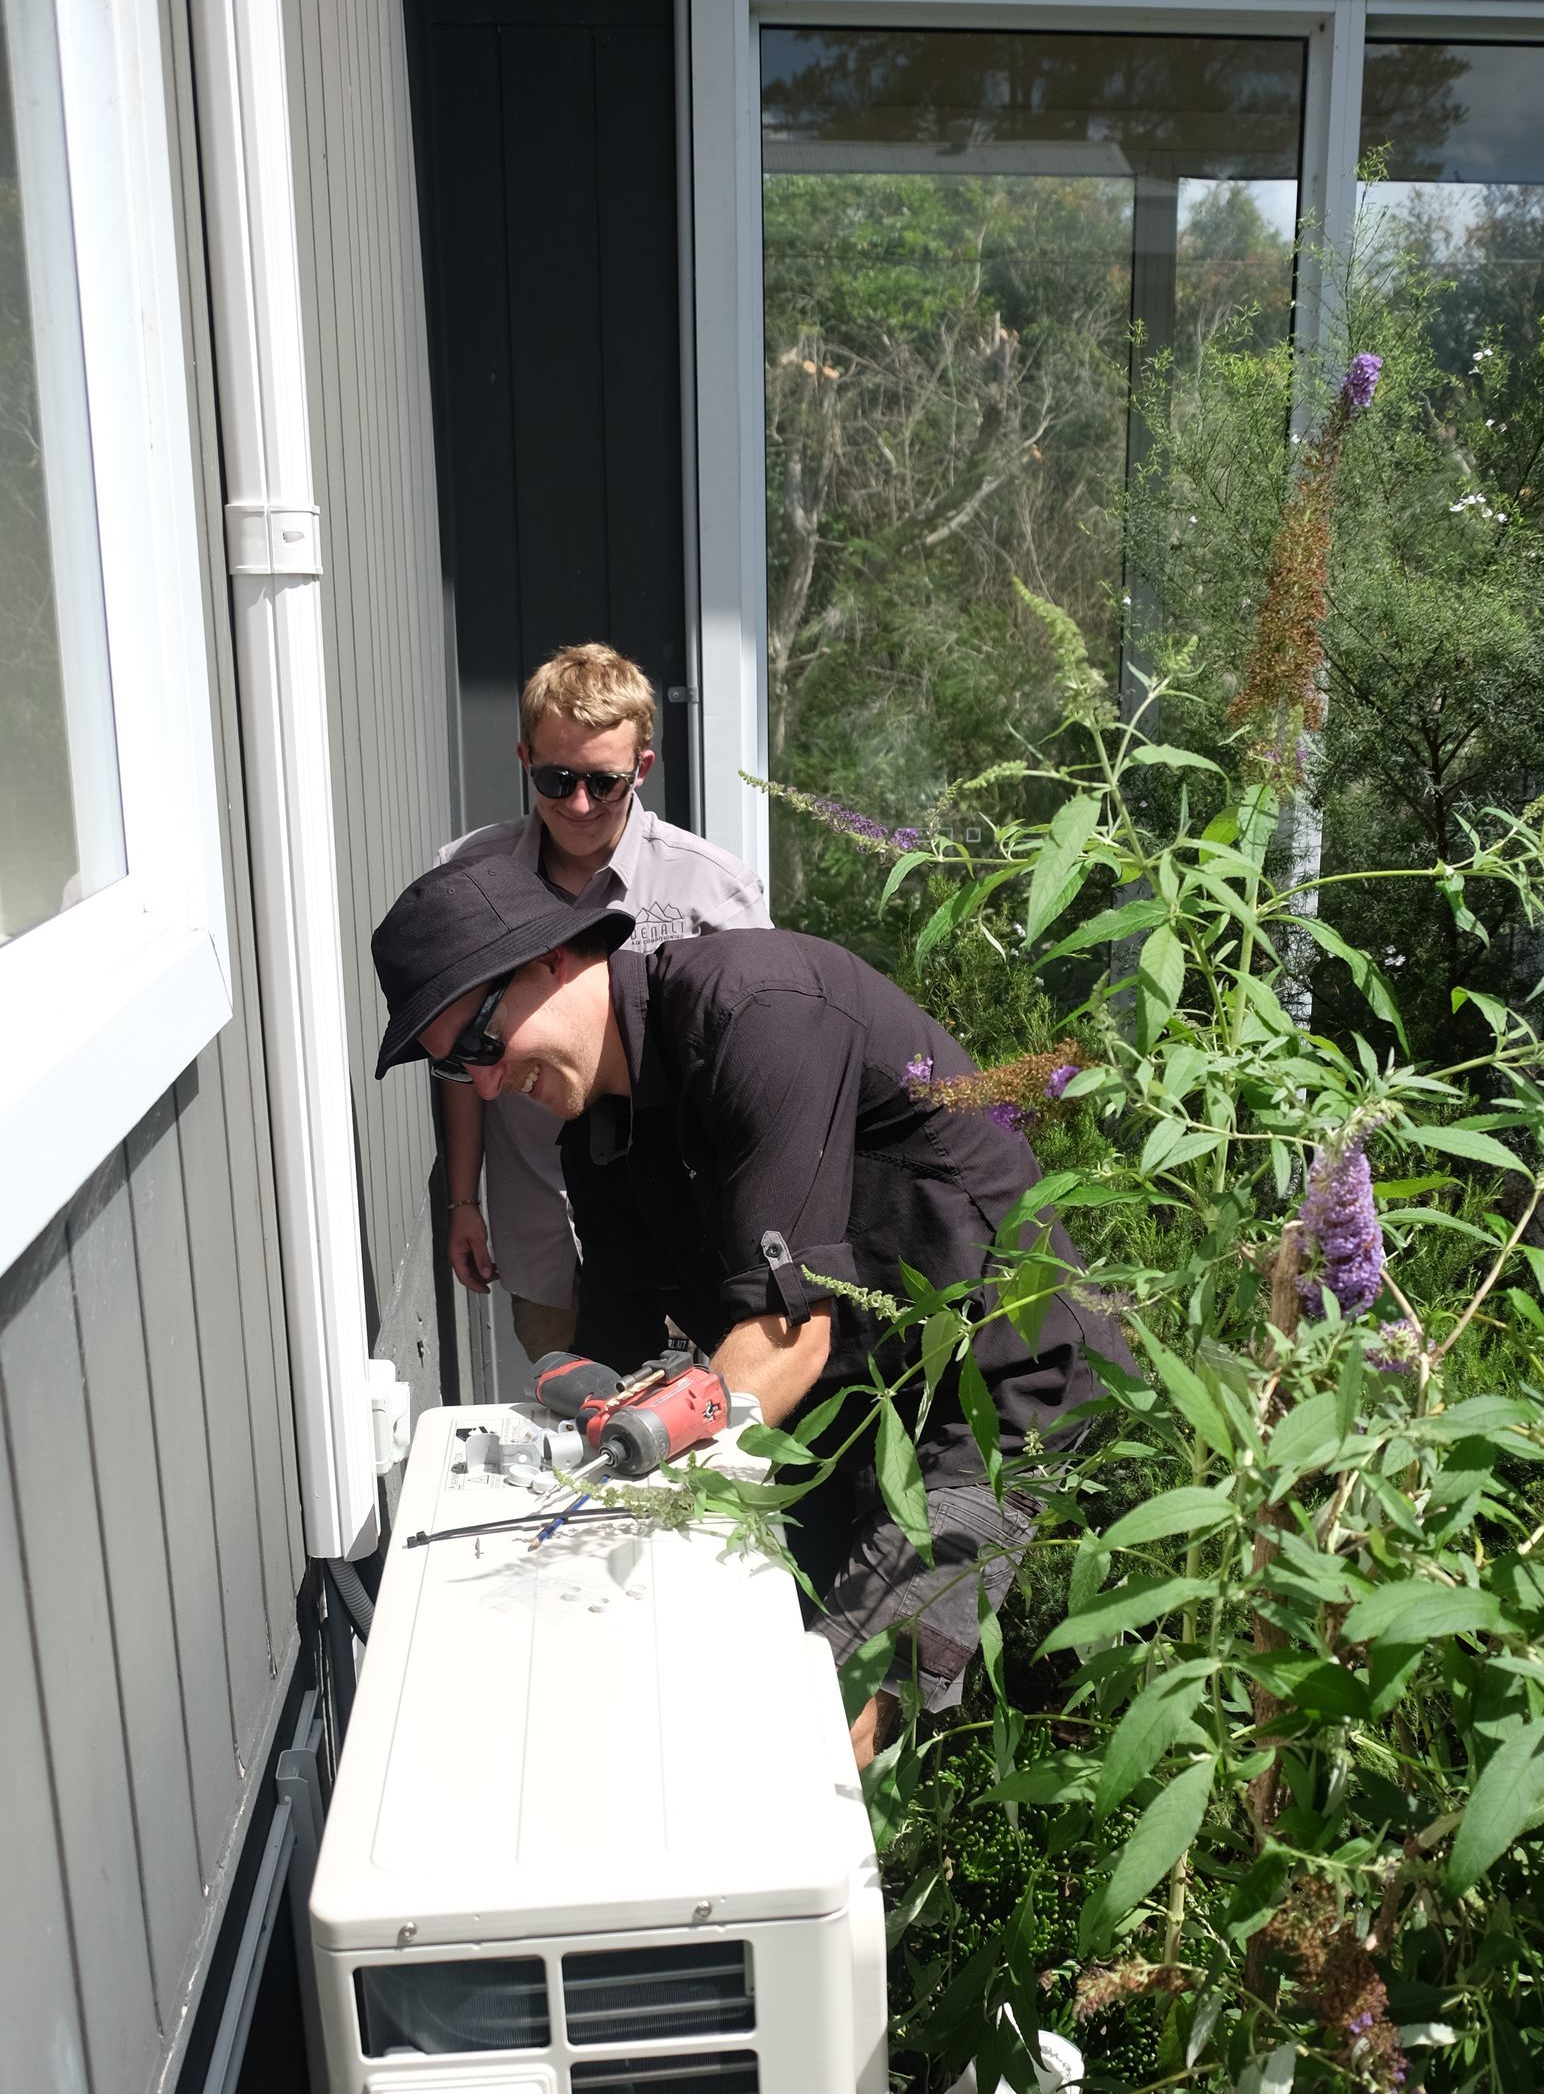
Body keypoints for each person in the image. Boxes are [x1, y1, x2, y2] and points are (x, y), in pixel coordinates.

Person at [371, 846, 1119, 1766]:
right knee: (738, 1663)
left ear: (554, 960)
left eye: (482, 1044)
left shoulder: (758, 1013)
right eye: (457, 1071)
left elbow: (788, 1334)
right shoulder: (599, 1137)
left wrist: (648, 1471)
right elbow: (618, 1351)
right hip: (853, 1414)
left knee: (821, 1729)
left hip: (994, 1395)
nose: (486, 1085)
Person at [435, 642, 767, 1359]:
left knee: (694, 1442)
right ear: (524, 758)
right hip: (543, 1228)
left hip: (685, 1238)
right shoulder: (471, 881)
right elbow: (460, 1057)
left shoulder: (713, 891)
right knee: (575, 1435)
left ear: (641, 769)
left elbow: (757, 1080)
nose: (579, 804)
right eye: (556, 780)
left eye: (604, 782)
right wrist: (463, 1201)